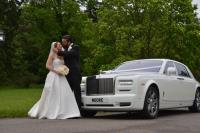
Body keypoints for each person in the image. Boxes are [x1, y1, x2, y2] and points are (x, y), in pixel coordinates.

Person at [28, 42, 80, 119]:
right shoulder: (52, 55)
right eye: (59, 45)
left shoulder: (62, 55)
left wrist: (64, 69)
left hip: (62, 76)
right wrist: (56, 71)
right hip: (54, 75)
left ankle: (67, 112)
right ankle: (50, 111)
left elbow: (64, 64)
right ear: (55, 46)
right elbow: (47, 65)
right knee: (53, 93)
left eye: (60, 44)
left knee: (64, 93)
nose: (60, 45)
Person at [54, 35, 82, 112]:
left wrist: (59, 52)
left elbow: (70, 54)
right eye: (62, 42)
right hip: (67, 74)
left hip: (75, 73)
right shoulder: (65, 49)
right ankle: (68, 110)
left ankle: (78, 111)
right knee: (67, 92)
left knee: (77, 92)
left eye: (64, 42)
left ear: (69, 41)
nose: (62, 43)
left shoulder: (76, 47)